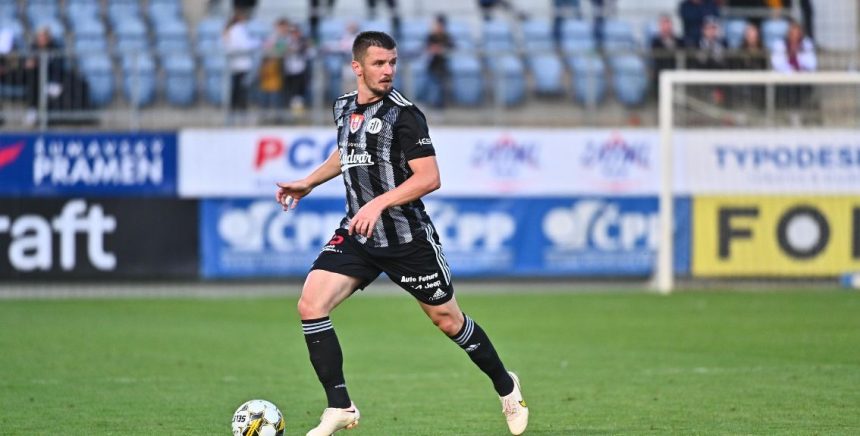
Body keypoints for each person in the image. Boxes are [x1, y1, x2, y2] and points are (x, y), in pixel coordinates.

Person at [275, 31, 529, 436]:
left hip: (406, 239)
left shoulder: (405, 115)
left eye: (392, 62)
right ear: (357, 67)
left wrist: (378, 203)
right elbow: (347, 150)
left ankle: (506, 386)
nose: (388, 70)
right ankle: (339, 407)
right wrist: (309, 182)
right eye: (379, 63)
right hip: (359, 234)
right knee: (311, 304)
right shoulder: (343, 107)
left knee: (447, 320)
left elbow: (429, 178)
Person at [222, 9, 258, 118]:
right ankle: (241, 112)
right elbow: (245, 45)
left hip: (234, 64)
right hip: (241, 64)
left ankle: (234, 111)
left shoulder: (230, 29)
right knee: (241, 90)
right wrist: (257, 42)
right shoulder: (238, 30)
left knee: (236, 88)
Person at [424, 14, 454, 108]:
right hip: (433, 65)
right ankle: (431, 104)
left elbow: (452, 48)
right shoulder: (431, 36)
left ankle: (440, 105)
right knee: (432, 85)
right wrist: (434, 49)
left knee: (441, 85)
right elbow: (427, 48)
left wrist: (441, 49)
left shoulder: (447, 37)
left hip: (443, 66)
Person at [650, 14, 683, 98]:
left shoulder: (679, 41)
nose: (666, 27)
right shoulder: (655, 42)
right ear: (660, 26)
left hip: (676, 71)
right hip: (661, 73)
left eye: (668, 23)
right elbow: (657, 58)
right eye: (663, 24)